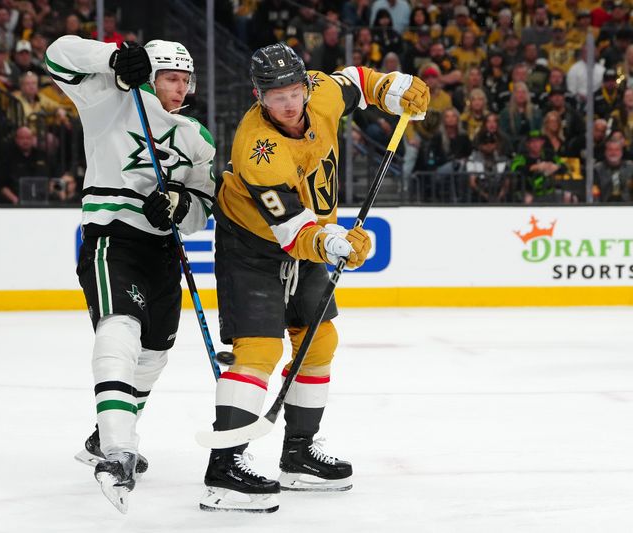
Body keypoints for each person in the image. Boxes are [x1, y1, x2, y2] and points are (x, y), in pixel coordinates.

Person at [201, 43, 428, 513]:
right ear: (257, 96)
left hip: (308, 237)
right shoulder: (257, 149)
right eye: (275, 94)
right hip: (251, 246)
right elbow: (290, 229)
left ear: (306, 86)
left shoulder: (319, 94)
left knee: (319, 340)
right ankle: (224, 469)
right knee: (260, 350)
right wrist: (331, 242)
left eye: (293, 91)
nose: (288, 102)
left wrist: (394, 88)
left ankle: (298, 454)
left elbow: (358, 82)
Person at [44, 36, 216, 512]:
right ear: (149, 75)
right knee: (119, 327)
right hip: (112, 240)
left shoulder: (195, 137)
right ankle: (120, 447)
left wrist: (180, 208)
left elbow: (204, 206)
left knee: (155, 353)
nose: (179, 88)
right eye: (169, 77)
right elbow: (58, 54)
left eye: (185, 79)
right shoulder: (109, 98)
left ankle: (102, 438)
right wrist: (113, 57)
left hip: (162, 252)